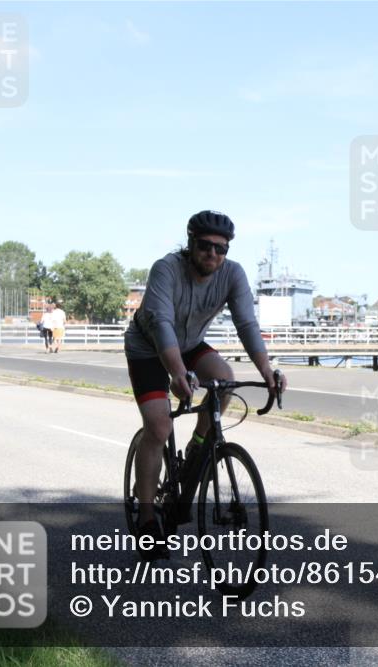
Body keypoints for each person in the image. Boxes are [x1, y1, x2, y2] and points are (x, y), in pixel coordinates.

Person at [124, 210, 286, 560]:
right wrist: (178, 372)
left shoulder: (232, 274)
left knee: (225, 380)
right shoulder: (166, 269)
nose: (213, 254)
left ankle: (200, 444)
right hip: (148, 346)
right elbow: (162, 323)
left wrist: (266, 371)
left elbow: (247, 324)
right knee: (159, 424)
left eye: (221, 249)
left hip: (190, 343)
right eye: (205, 246)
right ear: (190, 243)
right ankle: (149, 519)